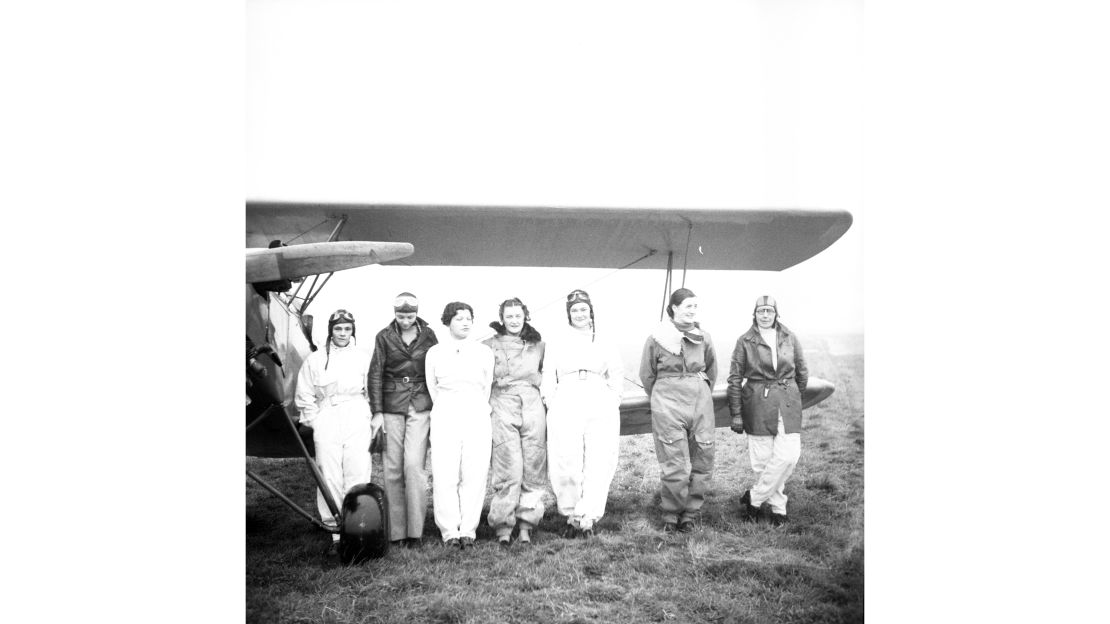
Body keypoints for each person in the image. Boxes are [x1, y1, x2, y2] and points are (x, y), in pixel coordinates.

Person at [541, 289, 624, 538]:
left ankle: (588, 517)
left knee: (598, 460)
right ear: (569, 314)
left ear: (591, 312)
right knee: (566, 460)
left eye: (583, 310)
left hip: (598, 396)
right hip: (566, 396)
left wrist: (613, 399)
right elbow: (548, 374)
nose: (579, 314)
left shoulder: (604, 339)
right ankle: (570, 514)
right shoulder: (557, 340)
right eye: (574, 310)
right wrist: (551, 401)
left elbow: (616, 372)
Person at [294, 309, 378, 552]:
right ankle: (335, 531)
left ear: (353, 331)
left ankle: (358, 527)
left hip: (356, 411)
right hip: (327, 414)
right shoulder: (316, 359)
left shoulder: (363, 357)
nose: (343, 333)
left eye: (347, 329)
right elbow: (304, 394)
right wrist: (316, 421)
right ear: (330, 330)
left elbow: (371, 390)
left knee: (358, 468)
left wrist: (371, 416)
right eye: (338, 328)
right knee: (329, 471)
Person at [639, 288, 718, 534]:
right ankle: (671, 514)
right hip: (666, 400)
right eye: (687, 306)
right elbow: (647, 374)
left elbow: (712, 371)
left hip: (699, 399)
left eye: (695, 306)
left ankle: (690, 513)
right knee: (674, 460)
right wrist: (663, 396)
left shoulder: (703, 337)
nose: (692, 311)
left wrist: (699, 389)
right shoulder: (656, 338)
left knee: (702, 454)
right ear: (674, 308)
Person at [726, 296, 809, 526]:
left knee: (789, 456)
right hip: (757, 403)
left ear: (776, 313)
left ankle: (753, 498)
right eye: (760, 311)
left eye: (769, 311)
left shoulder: (789, 337)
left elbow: (802, 371)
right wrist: (736, 413)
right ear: (754, 313)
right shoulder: (745, 341)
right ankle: (778, 509)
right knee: (763, 460)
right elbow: (734, 378)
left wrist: (792, 394)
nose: (765, 315)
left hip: (787, 401)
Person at [368, 292, 439, 548]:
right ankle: (396, 532)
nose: (406, 320)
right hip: (391, 405)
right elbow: (375, 374)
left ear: (417, 313)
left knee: (413, 467)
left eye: (410, 316)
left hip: (420, 403)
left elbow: (437, 367)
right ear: (394, 314)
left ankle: (415, 531)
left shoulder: (429, 336)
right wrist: (377, 412)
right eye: (401, 316)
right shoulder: (383, 336)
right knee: (392, 468)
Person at [425, 302, 495, 549]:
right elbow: (432, 387)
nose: (465, 323)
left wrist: (473, 406)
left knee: (474, 472)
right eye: (459, 319)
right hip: (446, 411)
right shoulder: (434, 352)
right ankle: (449, 531)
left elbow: (486, 387)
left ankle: (468, 529)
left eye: (468, 318)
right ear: (447, 322)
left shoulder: (484, 352)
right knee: (445, 472)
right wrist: (448, 406)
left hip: (475, 411)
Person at [483, 297, 547, 547]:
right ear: (502, 318)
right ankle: (502, 525)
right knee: (507, 463)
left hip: (532, 403)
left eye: (518, 315)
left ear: (525, 316)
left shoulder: (538, 344)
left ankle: (526, 524)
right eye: (508, 316)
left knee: (533, 462)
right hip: (502, 401)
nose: (513, 320)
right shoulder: (488, 345)